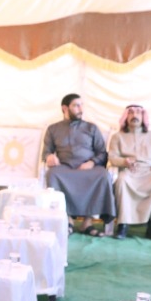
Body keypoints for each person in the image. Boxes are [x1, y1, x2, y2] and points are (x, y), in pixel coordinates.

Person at [41, 93, 115, 236]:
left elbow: (102, 153)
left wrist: (92, 163)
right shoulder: (53, 129)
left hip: (88, 167)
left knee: (103, 175)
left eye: (81, 105)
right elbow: (46, 152)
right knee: (52, 174)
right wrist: (49, 157)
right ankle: (67, 220)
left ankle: (87, 223)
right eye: (76, 105)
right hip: (65, 167)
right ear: (65, 108)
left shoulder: (91, 128)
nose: (81, 109)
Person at [108, 104, 151, 241]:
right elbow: (112, 157)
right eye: (131, 113)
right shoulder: (117, 137)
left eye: (138, 112)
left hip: (150, 171)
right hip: (129, 171)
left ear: (143, 117)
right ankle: (123, 224)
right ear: (126, 117)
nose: (134, 116)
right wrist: (124, 161)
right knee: (122, 181)